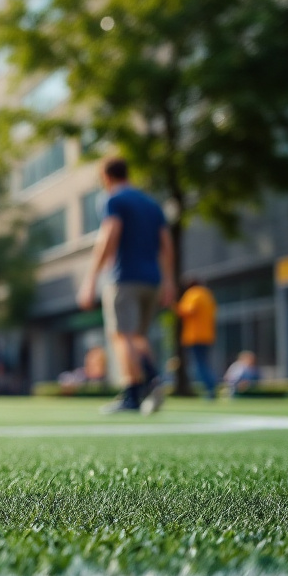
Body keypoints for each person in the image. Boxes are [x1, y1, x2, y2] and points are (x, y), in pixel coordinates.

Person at [77, 157, 176, 415]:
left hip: (125, 277)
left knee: (122, 335)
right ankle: (146, 386)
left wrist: (91, 278)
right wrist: (168, 281)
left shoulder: (113, 200)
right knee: (138, 337)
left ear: (107, 177)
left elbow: (110, 233)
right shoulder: (152, 204)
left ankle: (141, 388)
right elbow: (166, 244)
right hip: (152, 279)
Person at [176, 277, 218, 399]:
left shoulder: (193, 294)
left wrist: (176, 307)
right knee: (204, 362)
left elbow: (189, 310)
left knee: (199, 365)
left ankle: (210, 388)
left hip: (195, 336)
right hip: (208, 335)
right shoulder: (208, 295)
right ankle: (211, 387)